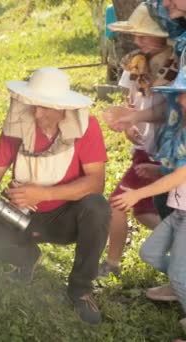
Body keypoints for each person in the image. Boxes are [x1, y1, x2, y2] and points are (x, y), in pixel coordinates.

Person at [0, 67, 110, 325]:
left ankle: (81, 289)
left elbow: (96, 182)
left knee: (97, 207)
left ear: (63, 107)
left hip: (66, 218)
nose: (37, 113)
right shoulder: (18, 125)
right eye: (33, 105)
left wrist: (43, 193)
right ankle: (27, 257)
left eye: (45, 107)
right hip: (24, 215)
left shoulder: (86, 127)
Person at [98, 3, 176, 278]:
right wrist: (126, 125)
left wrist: (135, 118)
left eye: (145, 34)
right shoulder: (135, 63)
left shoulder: (177, 65)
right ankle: (179, 251)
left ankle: (112, 263)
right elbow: (129, 104)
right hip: (143, 148)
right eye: (135, 34)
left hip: (164, 153)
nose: (137, 40)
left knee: (117, 202)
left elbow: (171, 113)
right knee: (144, 212)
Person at [111, 67, 186, 332]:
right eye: (179, 95)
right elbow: (177, 170)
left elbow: (181, 174)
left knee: (178, 276)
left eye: (184, 95)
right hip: (179, 211)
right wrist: (158, 170)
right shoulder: (181, 129)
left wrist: (139, 193)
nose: (179, 101)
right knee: (150, 253)